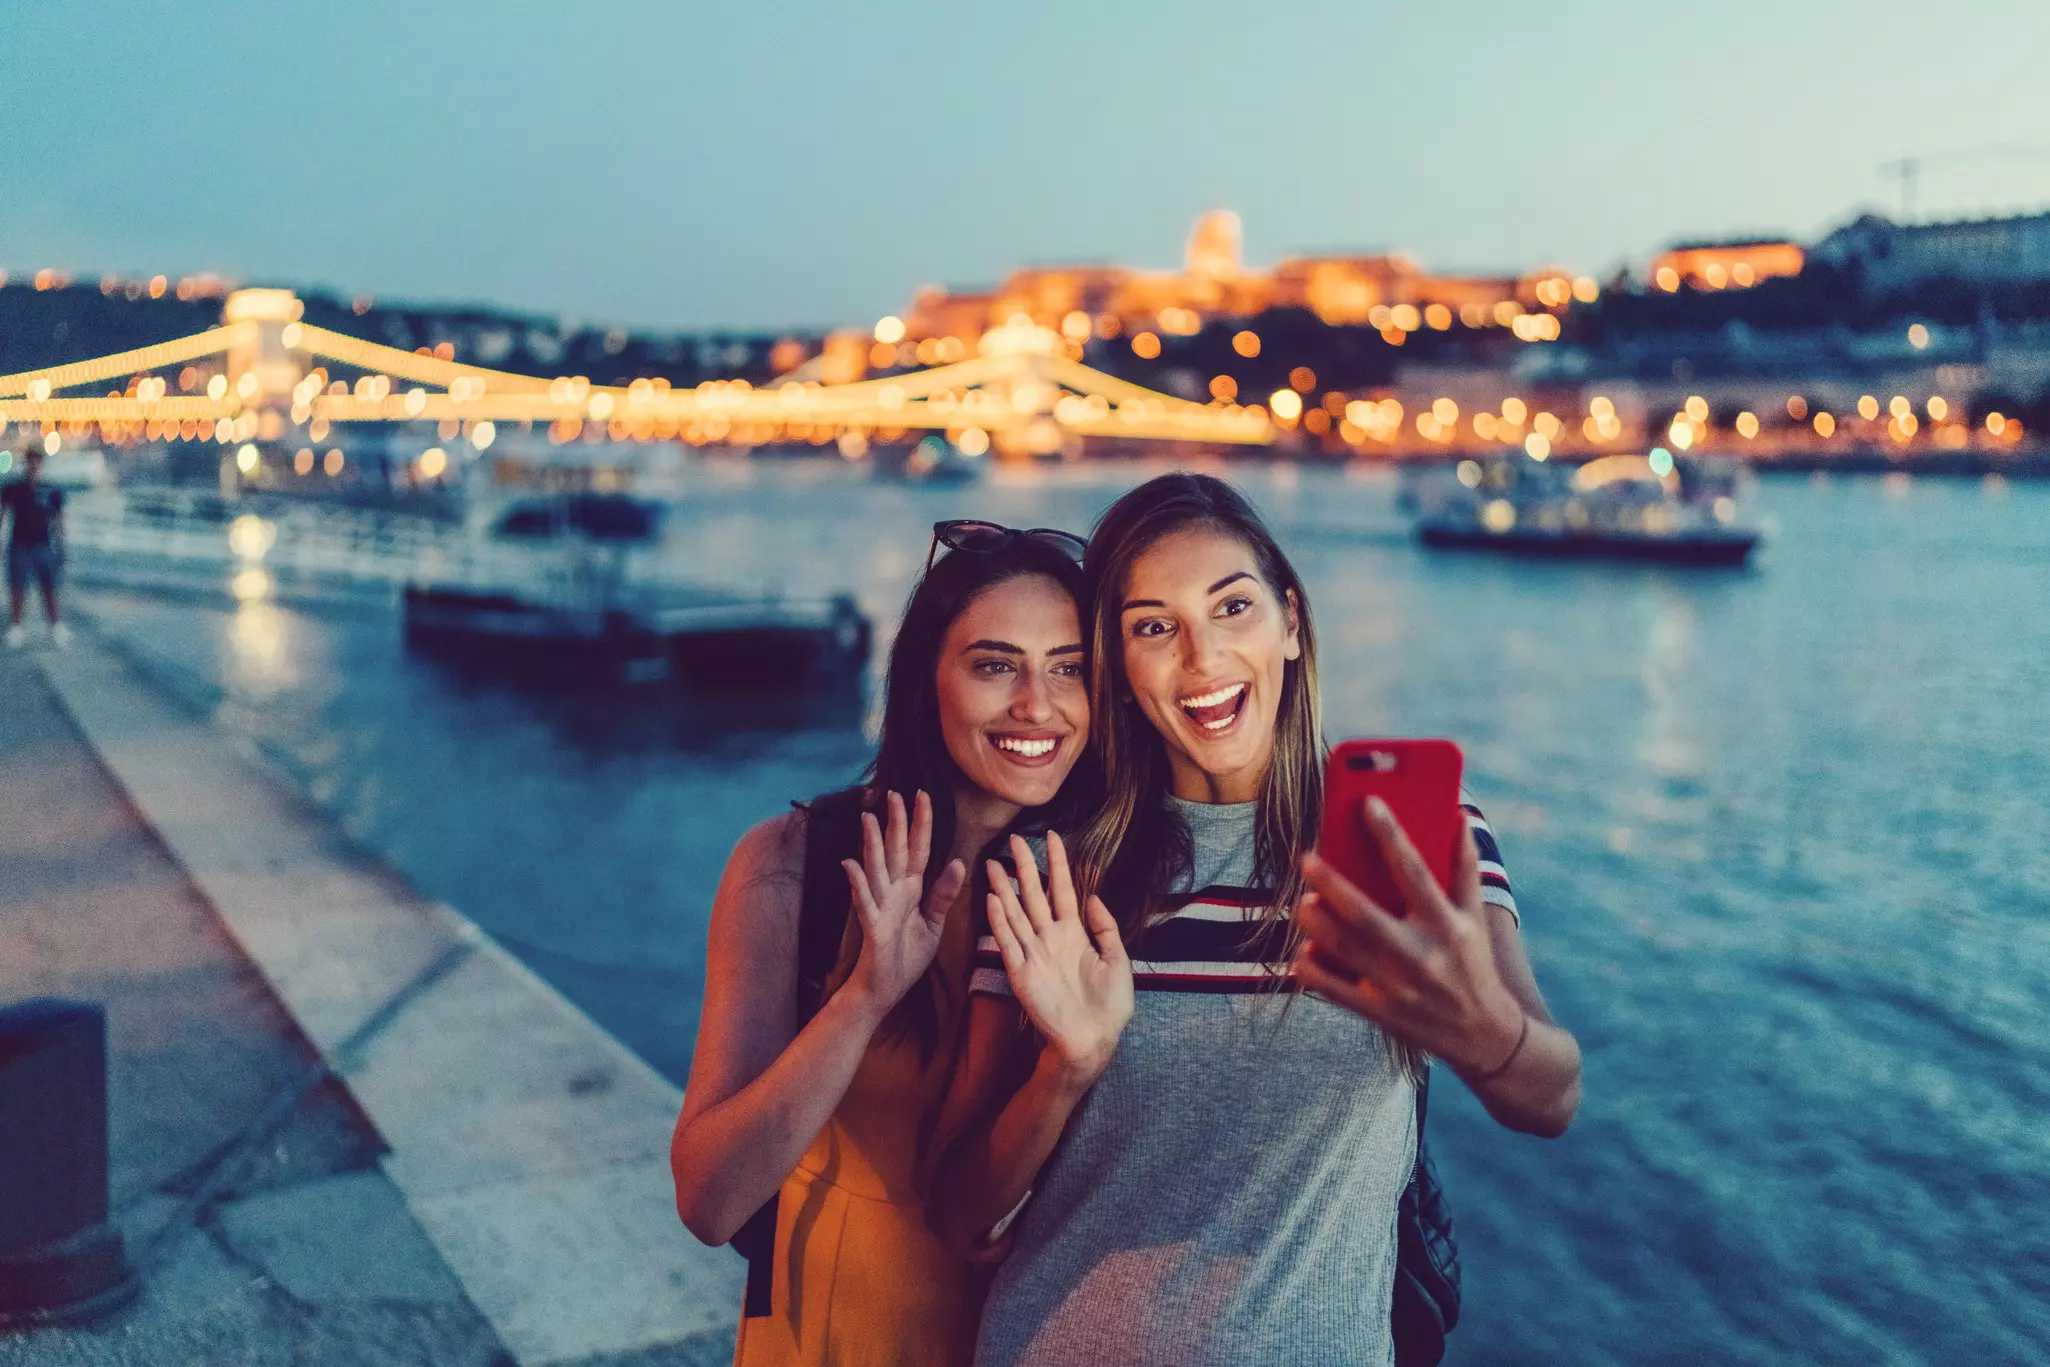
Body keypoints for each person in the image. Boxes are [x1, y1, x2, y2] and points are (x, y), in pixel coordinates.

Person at [928, 473, 1581, 1367]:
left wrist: (1484, 1032)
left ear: (1290, 624)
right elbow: (957, 1211)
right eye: (1155, 626)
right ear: (1120, 666)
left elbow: (1551, 1100)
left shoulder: (1407, 841)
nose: (1201, 657)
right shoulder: (1056, 871)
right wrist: (1065, 1069)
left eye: (1232, 607)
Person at [671, 521, 1094, 1367]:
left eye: (1071, 668)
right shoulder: (801, 864)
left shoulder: (1114, 889)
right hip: (834, 1338)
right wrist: (863, 998)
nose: (1037, 705)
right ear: (923, 679)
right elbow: (711, 1200)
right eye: (994, 663)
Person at [2, 447, 69, 649]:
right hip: (19, 545)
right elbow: (2, 513)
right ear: (26, 462)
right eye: (31, 460)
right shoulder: (13, 488)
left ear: (42, 463)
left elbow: (59, 520)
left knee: (49, 588)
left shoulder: (51, 490)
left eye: (37, 461)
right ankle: (15, 628)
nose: (34, 464)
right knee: (17, 589)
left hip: (44, 546)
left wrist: (63, 545)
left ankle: (55, 628)